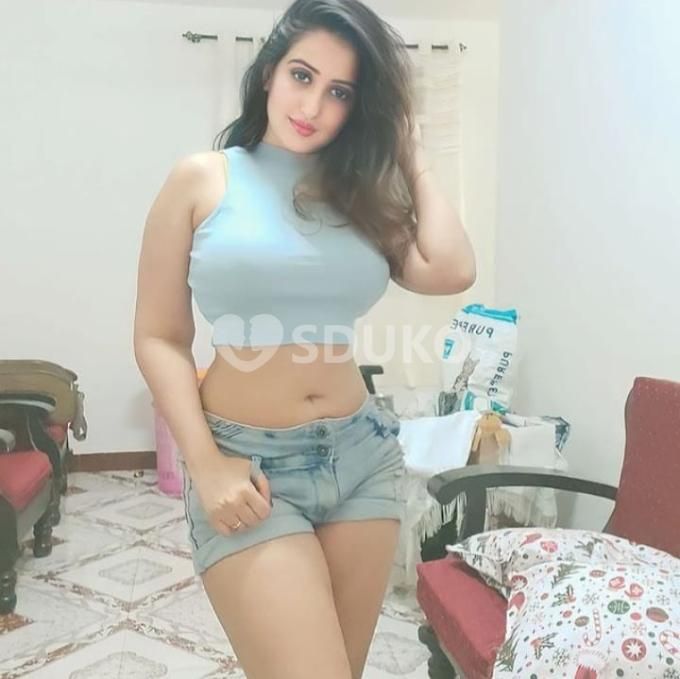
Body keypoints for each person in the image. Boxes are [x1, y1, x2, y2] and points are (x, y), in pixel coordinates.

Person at [133, 0, 475, 676]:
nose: (313, 105)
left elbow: (451, 269)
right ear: (269, 72)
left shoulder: (360, 195)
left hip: (361, 458)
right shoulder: (202, 178)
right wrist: (206, 464)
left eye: (340, 92)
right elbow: (159, 337)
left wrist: (409, 156)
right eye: (302, 75)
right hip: (251, 465)